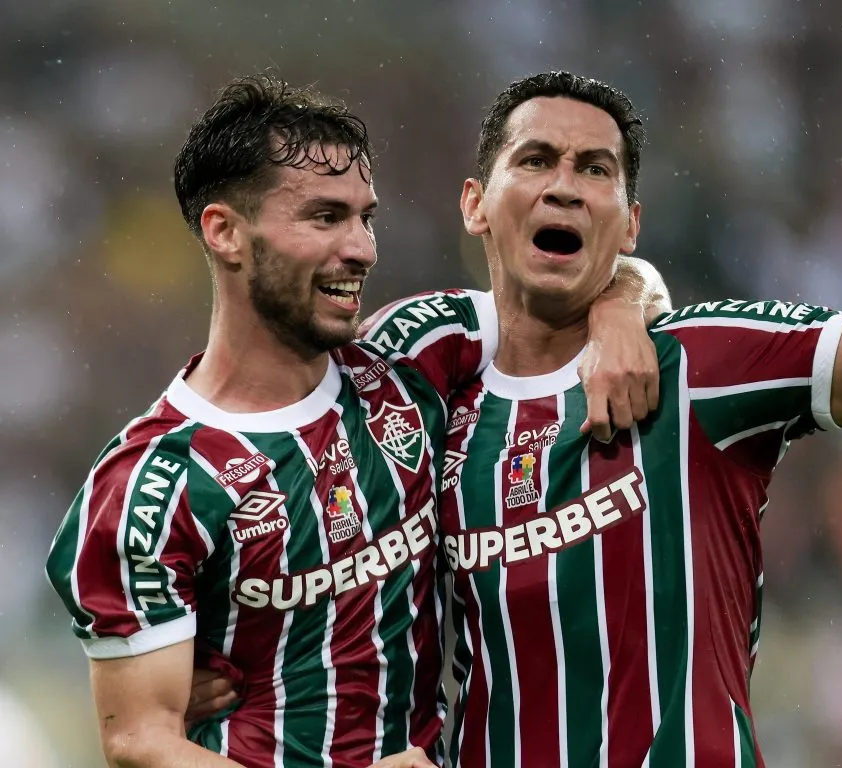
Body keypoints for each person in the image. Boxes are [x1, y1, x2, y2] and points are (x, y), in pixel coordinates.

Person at [391, 27, 842, 767]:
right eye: (534, 160)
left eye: (595, 169)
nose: (563, 183)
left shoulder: (704, 362)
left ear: (631, 223)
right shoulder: (422, 400)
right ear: (475, 204)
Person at [44, 75, 664, 768]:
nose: (363, 248)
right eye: (324, 218)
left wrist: (622, 303)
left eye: (365, 218)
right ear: (225, 233)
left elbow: (559, 289)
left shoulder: (413, 357)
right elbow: (138, 743)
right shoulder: (151, 484)